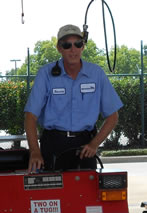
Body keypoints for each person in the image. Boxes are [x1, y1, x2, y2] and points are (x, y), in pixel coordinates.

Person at [24, 24, 123, 173]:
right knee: (53, 195)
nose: (73, 49)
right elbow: (30, 116)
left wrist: (94, 144)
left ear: (83, 46)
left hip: (84, 147)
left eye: (77, 44)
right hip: (53, 145)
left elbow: (113, 116)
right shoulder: (45, 74)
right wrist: (35, 152)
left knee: (86, 195)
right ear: (59, 48)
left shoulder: (97, 74)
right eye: (67, 45)